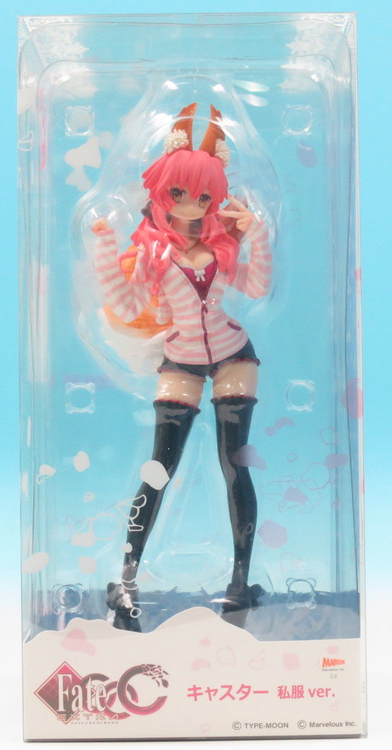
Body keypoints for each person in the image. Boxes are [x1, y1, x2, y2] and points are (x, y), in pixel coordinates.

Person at [91, 103, 272, 630]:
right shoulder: (155, 255)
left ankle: (239, 582)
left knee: (234, 464)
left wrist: (257, 234)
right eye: (180, 195)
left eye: (204, 197)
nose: (192, 207)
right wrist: (105, 248)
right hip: (182, 356)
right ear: (160, 194)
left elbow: (257, 286)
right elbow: (127, 306)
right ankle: (127, 581)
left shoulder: (222, 251)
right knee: (159, 469)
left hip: (234, 352)